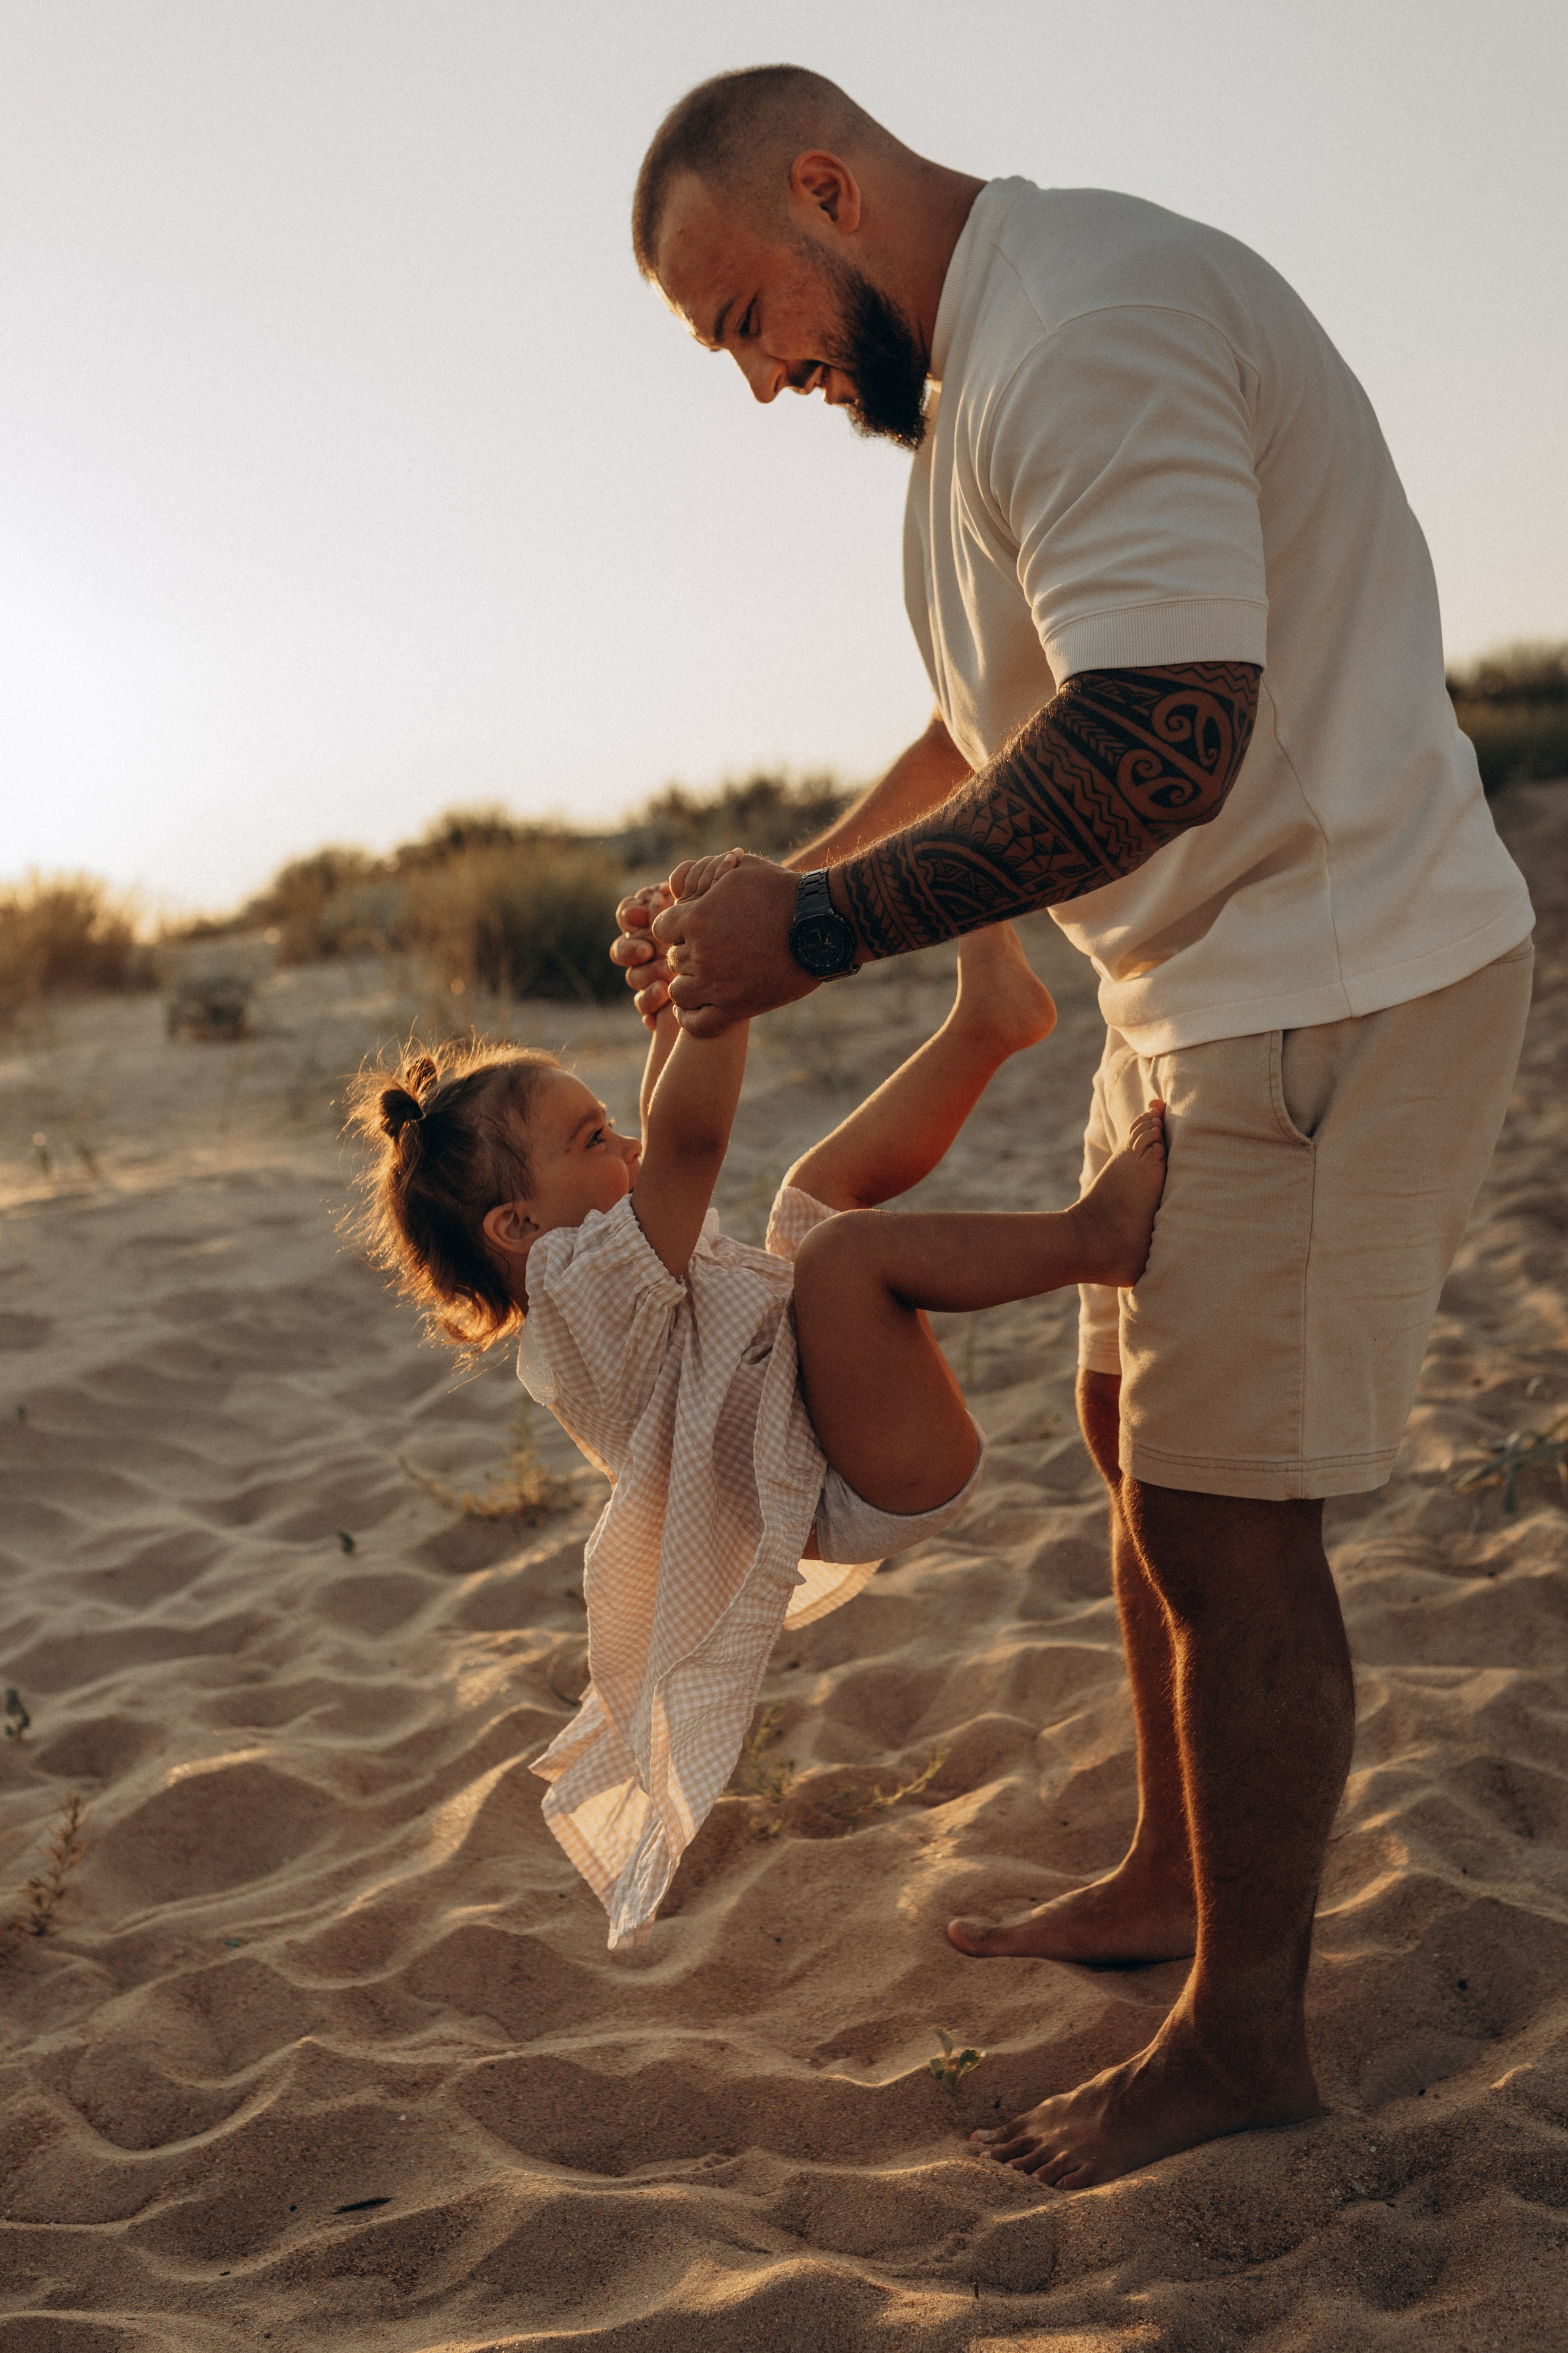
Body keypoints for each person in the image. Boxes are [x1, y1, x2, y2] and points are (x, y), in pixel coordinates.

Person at [612, 66, 1536, 2188]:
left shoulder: (1089, 323)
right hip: (1193, 989)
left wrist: (816, 936)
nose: (758, 379)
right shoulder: (978, 391)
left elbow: (1159, 732)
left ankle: (1246, 2045)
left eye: (748, 316)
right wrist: (781, 885)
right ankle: (1169, 1874)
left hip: (1331, 974)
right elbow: (992, 722)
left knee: (1228, 1515)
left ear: (827, 188)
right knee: (1140, 1444)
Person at [350, 899, 1167, 1948]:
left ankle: (987, 1026)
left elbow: (661, 1132)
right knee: (839, 1256)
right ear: (518, 1226)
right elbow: (689, 1141)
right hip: (860, 1480)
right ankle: (1096, 1237)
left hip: (824, 1419)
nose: (626, 1141)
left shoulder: (587, 1261)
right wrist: (719, 995)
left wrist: (666, 1012)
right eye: (593, 1139)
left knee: (813, 1194)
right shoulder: (584, 1296)